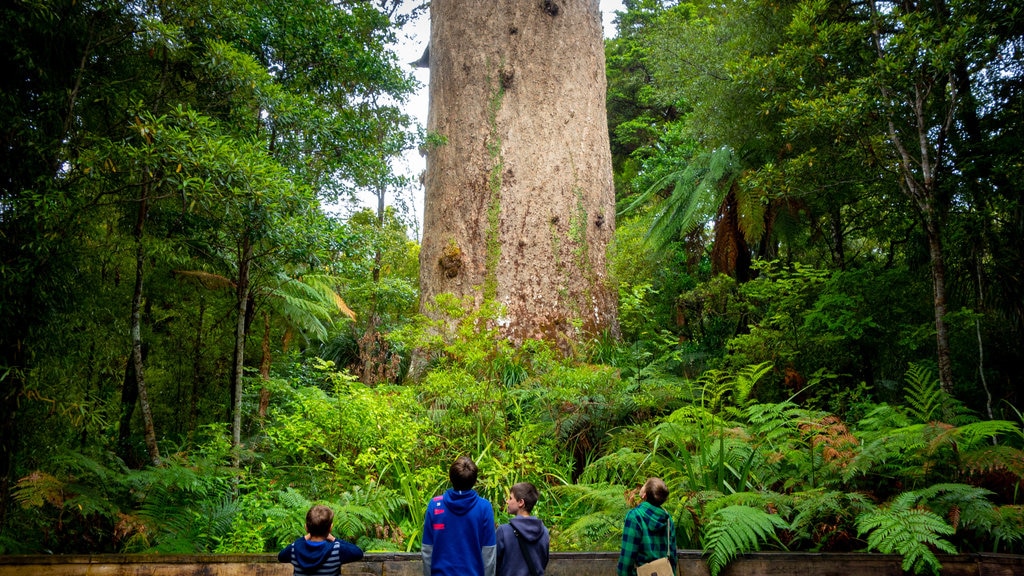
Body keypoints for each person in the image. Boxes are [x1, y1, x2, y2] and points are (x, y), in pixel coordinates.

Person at [422, 455, 497, 576]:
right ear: (474, 481)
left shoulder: (435, 505)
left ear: (450, 478)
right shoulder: (484, 507)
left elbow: (427, 550)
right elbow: (488, 553)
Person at [278, 504, 364, 576]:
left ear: (306, 528)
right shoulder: (336, 550)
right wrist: (334, 539)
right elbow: (358, 553)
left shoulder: (294, 549)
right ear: (330, 528)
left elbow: (281, 557)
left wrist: (304, 537)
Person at [617, 477, 677, 576]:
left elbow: (626, 562)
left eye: (645, 484)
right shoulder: (667, 518)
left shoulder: (635, 517)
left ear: (644, 494)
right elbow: (673, 557)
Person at [496, 482, 550, 576]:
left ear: (521, 502)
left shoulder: (503, 532)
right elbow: (544, 560)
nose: (507, 501)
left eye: (510, 498)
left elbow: (494, 564)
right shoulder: (544, 532)